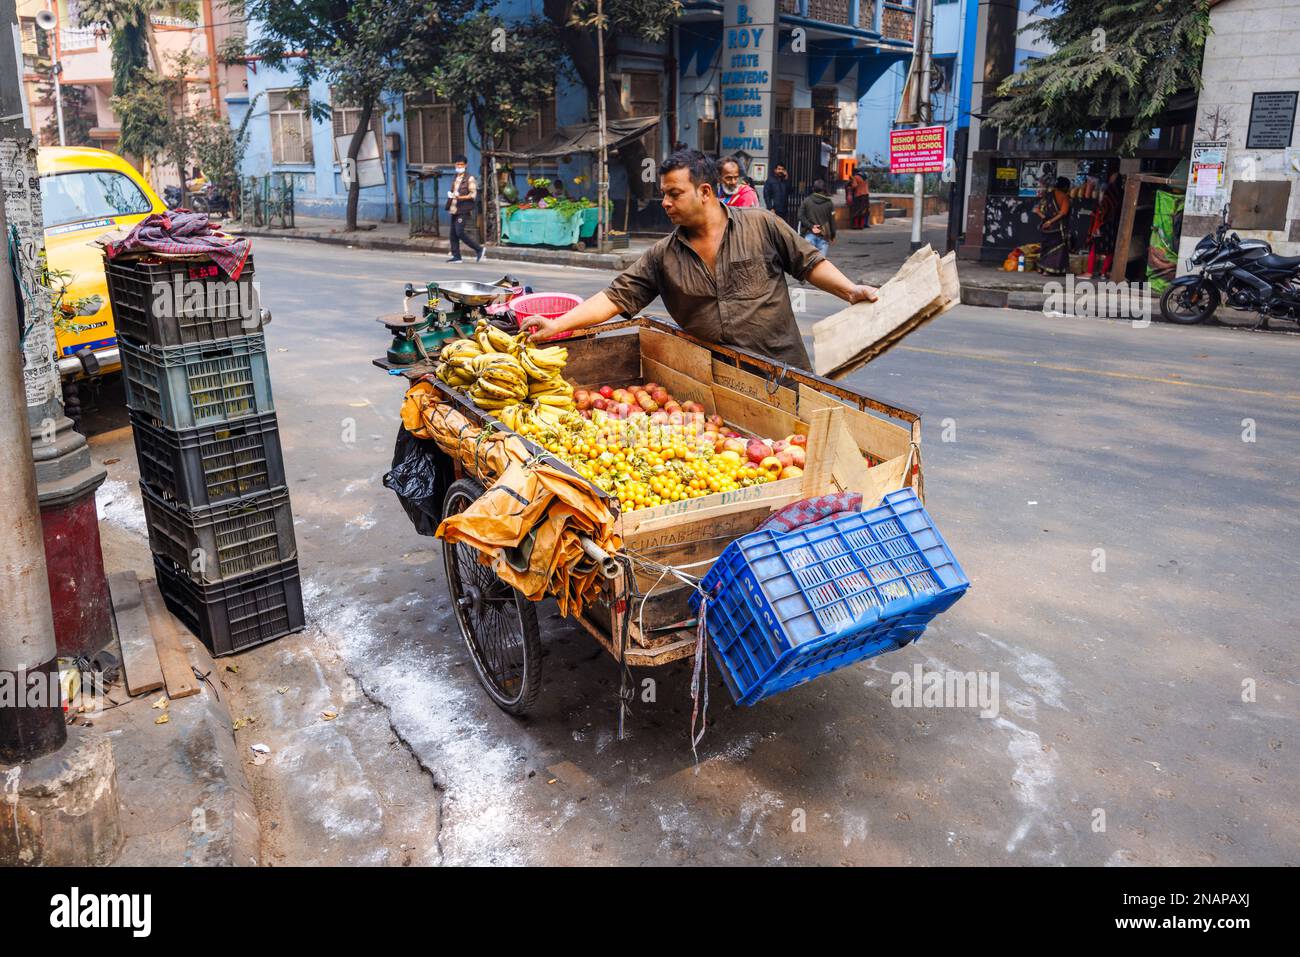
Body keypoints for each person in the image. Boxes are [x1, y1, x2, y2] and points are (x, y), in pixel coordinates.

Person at [519, 150, 877, 371]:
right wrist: (559, 325)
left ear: (705, 192)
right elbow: (614, 298)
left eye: (675, 194)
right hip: (717, 382)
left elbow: (809, 262)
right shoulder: (663, 256)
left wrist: (849, 290)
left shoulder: (761, 224)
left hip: (784, 374)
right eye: (663, 195)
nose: (666, 202)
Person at [446, 154, 485, 264]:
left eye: (461, 164)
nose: (459, 166)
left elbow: (473, 195)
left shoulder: (470, 178)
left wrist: (459, 197)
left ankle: (479, 249)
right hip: (454, 208)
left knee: (459, 232)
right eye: (457, 164)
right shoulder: (455, 177)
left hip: (463, 209)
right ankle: (456, 257)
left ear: (466, 165)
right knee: (452, 234)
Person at [1036, 175, 1071, 276]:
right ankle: (1049, 270)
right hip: (1057, 228)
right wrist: (1051, 222)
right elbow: (1063, 213)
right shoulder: (1064, 197)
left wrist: (1045, 220)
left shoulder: (1047, 195)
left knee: (1046, 248)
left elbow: (1037, 210)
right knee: (1058, 249)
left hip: (1045, 227)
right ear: (1065, 187)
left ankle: (1041, 268)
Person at [797, 180, 836, 255]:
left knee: (809, 261)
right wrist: (833, 235)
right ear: (824, 190)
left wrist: (811, 226)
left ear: (813, 189)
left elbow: (800, 216)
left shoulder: (806, 201)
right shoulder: (829, 203)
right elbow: (832, 221)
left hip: (809, 234)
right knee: (820, 262)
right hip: (824, 235)